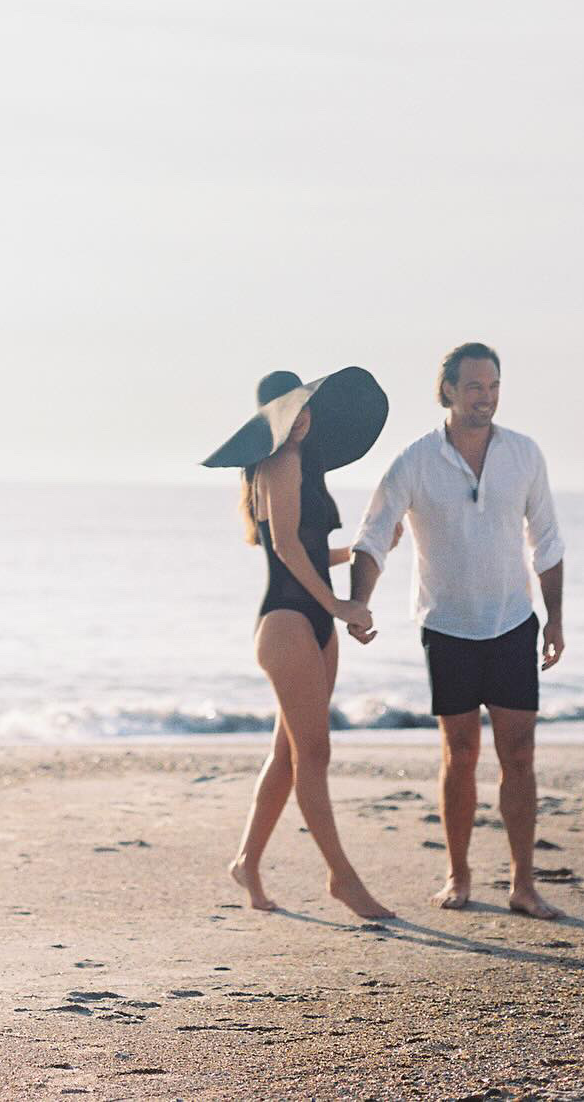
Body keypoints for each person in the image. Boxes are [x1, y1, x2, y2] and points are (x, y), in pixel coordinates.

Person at [348, 342, 566, 919]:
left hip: (513, 622)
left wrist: (556, 619)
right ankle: (460, 875)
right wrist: (359, 604)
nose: (485, 397)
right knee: (460, 752)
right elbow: (374, 534)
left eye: (492, 386)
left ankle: (523, 884)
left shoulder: (524, 455)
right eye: (473, 386)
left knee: (519, 752)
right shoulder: (416, 461)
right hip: (447, 626)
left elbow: (547, 540)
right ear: (447, 390)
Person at [225, 371, 394, 922]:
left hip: (310, 620)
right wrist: (340, 606)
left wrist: (363, 548)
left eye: (304, 407)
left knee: (287, 754)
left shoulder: (304, 463)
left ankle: (247, 862)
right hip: (287, 622)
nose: (299, 418)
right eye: (287, 411)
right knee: (314, 754)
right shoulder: (279, 463)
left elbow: (312, 552)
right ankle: (342, 879)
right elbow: (286, 548)